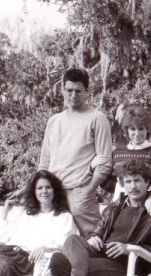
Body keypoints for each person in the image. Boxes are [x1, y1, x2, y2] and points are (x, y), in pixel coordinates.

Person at [32, 67, 112, 237]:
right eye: (69, 90)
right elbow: (44, 162)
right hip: (53, 193)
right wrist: (37, 188)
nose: (73, 95)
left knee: (92, 242)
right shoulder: (54, 121)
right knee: (52, 241)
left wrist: (88, 190)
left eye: (78, 91)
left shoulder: (97, 118)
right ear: (62, 90)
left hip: (80, 194)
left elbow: (104, 162)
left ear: (86, 92)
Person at [107, 105, 151, 213]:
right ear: (127, 130)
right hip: (121, 206)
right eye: (132, 129)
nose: (137, 133)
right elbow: (110, 181)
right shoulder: (118, 153)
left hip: (148, 205)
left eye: (141, 129)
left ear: (147, 129)